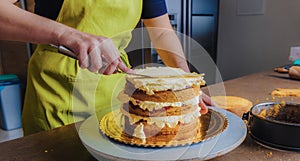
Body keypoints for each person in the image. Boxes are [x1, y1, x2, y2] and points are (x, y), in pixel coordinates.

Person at [0, 0, 213, 135]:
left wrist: (186, 84)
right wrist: (67, 35)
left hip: (116, 94)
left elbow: (162, 32)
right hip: (55, 95)